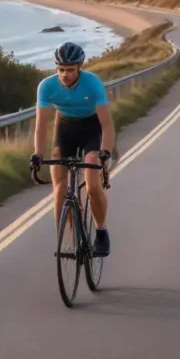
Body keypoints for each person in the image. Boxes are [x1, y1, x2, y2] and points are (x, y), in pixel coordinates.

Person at [30, 42, 115, 257]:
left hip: (90, 130)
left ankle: (102, 232)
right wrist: (38, 154)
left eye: (70, 70)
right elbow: (41, 126)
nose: (64, 75)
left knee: (93, 187)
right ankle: (68, 238)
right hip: (65, 129)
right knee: (59, 189)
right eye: (60, 70)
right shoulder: (46, 86)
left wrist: (105, 151)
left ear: (79, 68)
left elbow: (106, 124)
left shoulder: (93, 83)